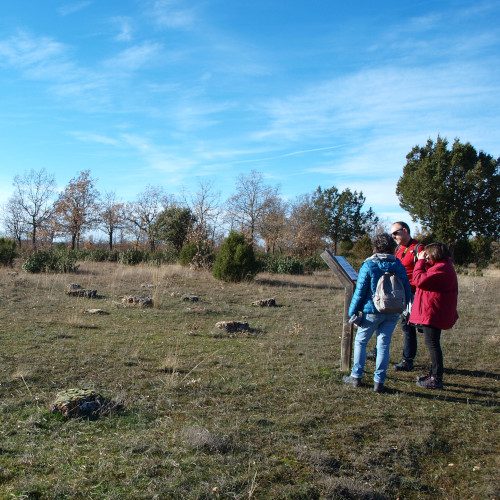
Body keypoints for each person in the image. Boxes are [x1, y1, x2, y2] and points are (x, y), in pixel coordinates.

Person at [343, 233, 411, 393]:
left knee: (361, 342)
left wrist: (352, 313)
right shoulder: (399, 265)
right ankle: (379, 382)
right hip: (393, 311)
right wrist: (404, 308)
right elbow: (407, 290)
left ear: (376, 247)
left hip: (371, 311)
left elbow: (360, 292)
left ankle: (356, 376)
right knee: (384, 345)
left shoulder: (369, 265)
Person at [366, 222, 421, 370]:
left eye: (395, 233)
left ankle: (407, 360)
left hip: (410, 294)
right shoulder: (397, 249)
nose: (393, 236)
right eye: (392, 234)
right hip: (392, 292)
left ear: (405, 230)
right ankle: (377, 351)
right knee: (384, 322)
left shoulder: (418, 248)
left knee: (408, 326)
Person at [410, 243, 458, 389]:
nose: (426, 257)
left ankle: (436, 378)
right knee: (432, 343)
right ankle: (433, 374)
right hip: (435, 311)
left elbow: (418, 280)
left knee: (433, 344)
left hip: (434, 313)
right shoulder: (442, 266)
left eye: (428, 254)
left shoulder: (441, 268)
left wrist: (419, 261)